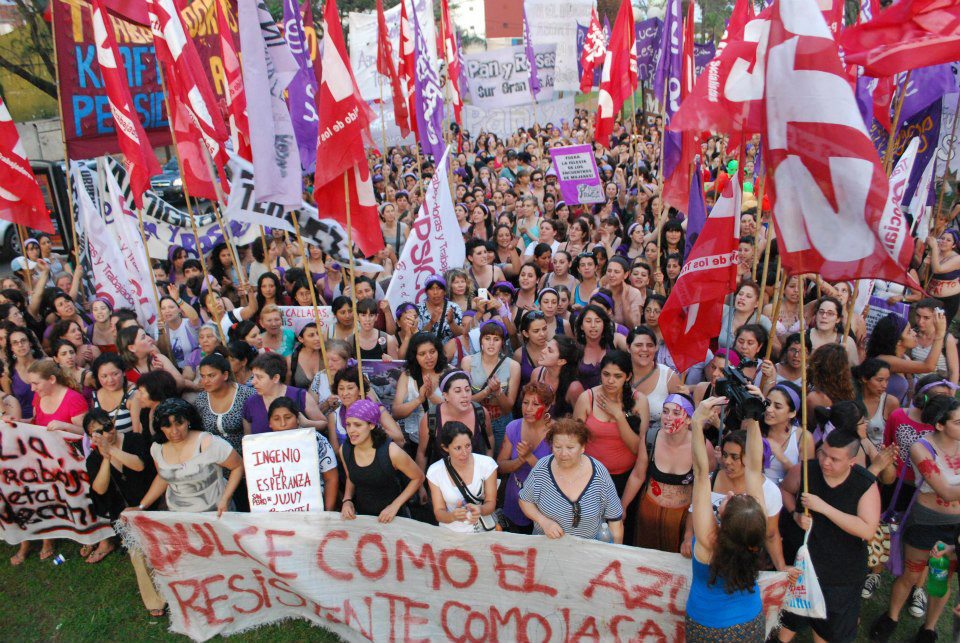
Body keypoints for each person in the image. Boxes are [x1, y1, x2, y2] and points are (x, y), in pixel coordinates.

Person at [777, 429, 881, 643]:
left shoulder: (864, 484)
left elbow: (867, 530)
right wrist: (794, 514)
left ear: (852, 461)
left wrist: (823, 507)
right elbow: (785, 490)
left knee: (831, 628)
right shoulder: (806, 470)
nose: (825, 462)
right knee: (789, 617)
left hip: (841, 572)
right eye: (823, 453)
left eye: (834, 459)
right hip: (803, 564)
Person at [871, 395, 960, 643]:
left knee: (941, 580)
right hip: (926, 522)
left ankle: (929, 628)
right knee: (910, 575)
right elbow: (944, 490)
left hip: (955, 527)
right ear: (940, 425)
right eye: (958, 422)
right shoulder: (922, 447)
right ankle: (891, 617)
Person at [684, 397, 769, 641]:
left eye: (729, 501)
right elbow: (753, 468)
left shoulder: (708, 541)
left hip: (706, 626)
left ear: (724, 519)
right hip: (749, 623)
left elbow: (701, 474)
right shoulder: (755, 528)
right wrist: (753, 419)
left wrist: (697, 423)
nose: (730, 493)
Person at [82, 409, 164, 614]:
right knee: (137, 555)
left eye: (108, 427)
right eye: (99, 432)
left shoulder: (135, 440)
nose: (107, 433)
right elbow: (99, 488)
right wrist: (106, 458)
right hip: (124, 514)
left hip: (152, 504)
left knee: (163, 550)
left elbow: (138, 465)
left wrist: (111, 449)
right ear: (91, 436)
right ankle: (154, 601)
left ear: (113, 422)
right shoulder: (93, 459)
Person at [518, 417, 624, 542]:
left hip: (588, 553)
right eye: (557, 447)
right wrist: (544, 522)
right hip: (546, 548)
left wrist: (615, 556)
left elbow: (615, 520)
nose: (563, 454)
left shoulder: (599, 474)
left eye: (570, 448)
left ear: (583, 447)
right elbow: (524, 500)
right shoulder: (542, 468)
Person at [137, 398, 244, 514]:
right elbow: (163, 477)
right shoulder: (157, 448)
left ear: (188, 421)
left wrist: (225, 498)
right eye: (167, 426)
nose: (174, 431)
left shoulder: (209, 443)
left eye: (179, 424)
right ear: (160, 427)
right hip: (179, 518)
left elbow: (238, 466)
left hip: (216, 513)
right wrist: (142, 506)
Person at [339, 399, 424, 522]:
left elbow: (418, 477)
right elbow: (350, 477)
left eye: (357, 425)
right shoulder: (345, 450)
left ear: (371, 425)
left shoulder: (391, 452)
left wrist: (395, 506)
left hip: (394, 518)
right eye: (348, 424)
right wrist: (347, 500)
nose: (351, 430)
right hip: (362, 518)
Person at [574, 351, 647, 494]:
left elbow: (637, 449)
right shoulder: (587, 398)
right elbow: (575, 439)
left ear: (628, 376)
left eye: (617, 376)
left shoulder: (639, 401)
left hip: (625, 478)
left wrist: (618, 415)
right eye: (606, 374)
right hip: (590, 475)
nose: (610, 380)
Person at [267, 397, 338, 511]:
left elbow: (331, 478)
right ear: (270, 423)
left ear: (298, 419)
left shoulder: (316, 440)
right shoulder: (263, 447)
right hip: (278, 514)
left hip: (314, 510)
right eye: (276, 419)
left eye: (288, 417)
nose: (283, 423)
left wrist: (328, 513)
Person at [427, 421, 499, 532]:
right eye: (458, 448)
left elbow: (491, 502)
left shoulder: (487, 464)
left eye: (468, 446)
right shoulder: (435, 471)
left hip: (482, 530)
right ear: (446, 448)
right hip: (451, 532)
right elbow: (439, 512)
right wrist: (452, 516)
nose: (465, 453)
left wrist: (480, 509)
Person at [461, 320, 520, 456]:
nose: (491, 343)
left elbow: (508, 407)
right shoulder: (468, 362)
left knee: (498, 462)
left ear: (502, 342)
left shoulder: (513, 366)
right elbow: (464, 401)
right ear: (481, 340)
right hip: (475, 419)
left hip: (501, 420)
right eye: (487, 338)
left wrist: (499, 392)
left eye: (496, 339)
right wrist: (487, 391)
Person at [418, 370, 493, 471]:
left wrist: (489, 465)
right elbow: (422, 454)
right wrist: (421, 485)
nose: (465, 395)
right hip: (441, 481)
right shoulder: (431, 417)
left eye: (467, 389)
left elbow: (489, 437)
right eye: (458, 391)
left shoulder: (481, 412)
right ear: (445, 396)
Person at [243, 353, 321, 435]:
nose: (253, 382)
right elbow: (248, 438)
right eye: (253, 377)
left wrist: (306, 423)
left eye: (259, 377)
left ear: (276, 378)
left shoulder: (300, 396)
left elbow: (323, 423)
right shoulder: (250, 403)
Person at [194, 353, 255, 456]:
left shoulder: (247, 395)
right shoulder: (201, 399)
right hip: (214, 459)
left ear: (225, 375)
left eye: (211, 375)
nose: (205, 381)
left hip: (245, 456)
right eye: (203, 376)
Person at [28, 359, 87, 436]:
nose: (32, 389)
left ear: (52, 379)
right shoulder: (38, 395)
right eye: (31, 384)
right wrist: (18, 421)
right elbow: (34, 422)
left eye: (36, 383)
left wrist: (65, 426)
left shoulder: (74, 399)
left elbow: (86, 432)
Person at [530, 335, 583, 418]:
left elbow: (580, 422)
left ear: (561, 361)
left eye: (549, 350)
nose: (543, 351)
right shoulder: (537, 374)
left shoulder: (574, 388)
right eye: (546, 347)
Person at [91, 353, 139, 435]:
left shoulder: (133, 394)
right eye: (104, 376)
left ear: (123, 372)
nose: (110, 380)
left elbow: (138, 433)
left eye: (115, 374)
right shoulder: (96, 395)